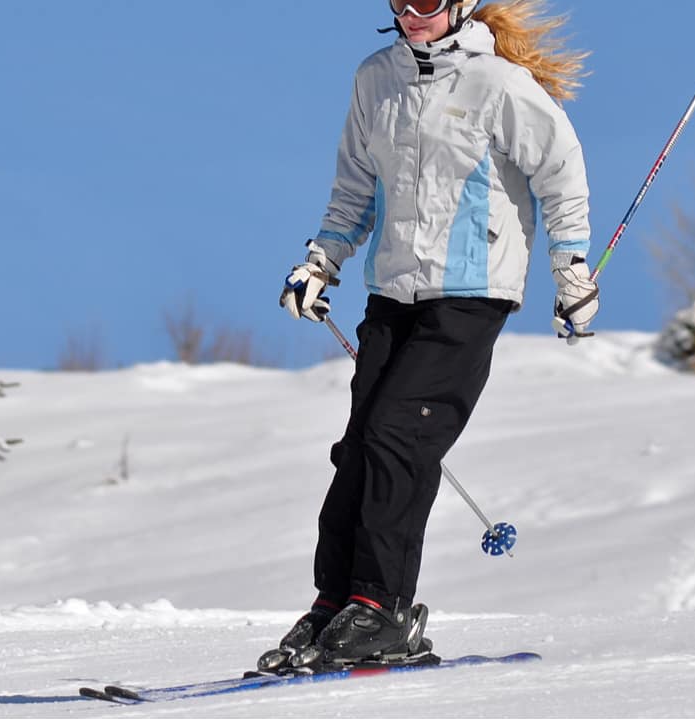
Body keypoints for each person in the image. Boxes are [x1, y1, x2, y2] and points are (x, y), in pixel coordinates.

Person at [272, 0, 599, 667]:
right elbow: (355, 186)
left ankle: (383, 605)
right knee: (360, 445)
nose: (410, 13)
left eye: (424, 1)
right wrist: (320, 262)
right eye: (399, 0)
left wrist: (572, 271)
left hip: (471, 291)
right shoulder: (377, 78)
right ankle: (336, 602)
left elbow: (561, 171)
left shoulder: (500, 83)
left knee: (399, 432)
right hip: (393, 288)